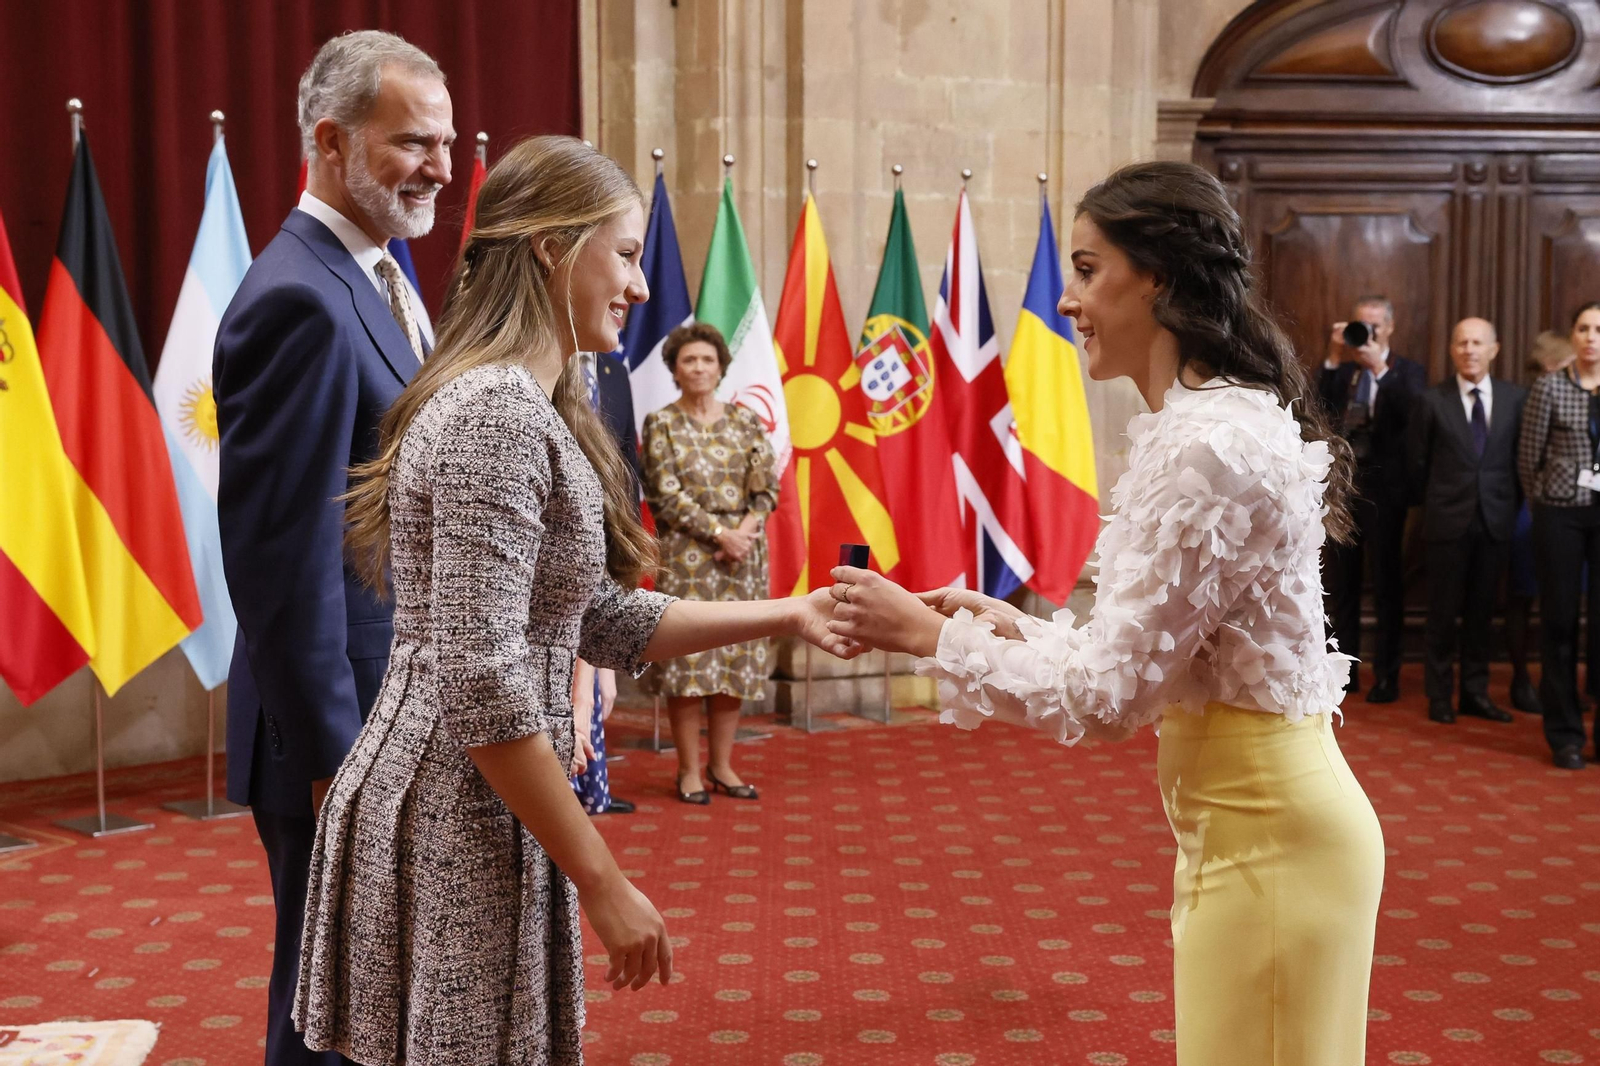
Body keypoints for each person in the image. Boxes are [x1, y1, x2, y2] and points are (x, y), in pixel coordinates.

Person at [292, 136, 846, 1065]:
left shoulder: (526, 403)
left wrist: (791, 614)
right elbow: (480, 678)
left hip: (487, 792)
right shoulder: (497, 414)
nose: (639, 283)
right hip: (454, 802)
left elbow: (592, 617)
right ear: (551, 247)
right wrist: (602, 876)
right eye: (625, 253)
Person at [827, 161, 1384, 1066]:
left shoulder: (1211, 445)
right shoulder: (1205, 427)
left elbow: (1109, 698)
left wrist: (927, 635)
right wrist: (1007, 624)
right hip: (1244, 827)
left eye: (1088, 269)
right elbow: (1157, 654)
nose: (1068, 297)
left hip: (1275, 840)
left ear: (1157, 276)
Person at [213, 30, 451, 1066]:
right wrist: (335, 757)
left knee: (381, 995)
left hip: (396, 709)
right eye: (412, 142)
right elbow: (280, 561)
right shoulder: (299, 298)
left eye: (443, 141)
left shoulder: (379, 275)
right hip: (342, 734)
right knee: (332, 1017)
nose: (440, 166)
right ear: (329, 139)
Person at [641, 323, 778, 804]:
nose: (698, 367)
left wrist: (742, 533)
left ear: (721, 367)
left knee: (732, 661)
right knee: (688, 664)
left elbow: (767, 488)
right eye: (688, 360)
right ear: (675, 369)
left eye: (707, 360)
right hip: (687, 556)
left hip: (742, 557)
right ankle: (689, 771)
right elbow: (664, 492)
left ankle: (722, 765)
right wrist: (720, 534)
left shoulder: (746, 420)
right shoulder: (661, 423)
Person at [1407, 317, 1526, 725]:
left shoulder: (1516, 399)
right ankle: (1439, 696)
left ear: (1495, 349)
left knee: (1481, 615)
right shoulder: (1431, 401)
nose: (1469, 350)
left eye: (1478, 343)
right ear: (1452, 349)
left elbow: (1520, 464)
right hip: (1446, 522)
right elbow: (1418, 465)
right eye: (1461, 342)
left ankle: (1475, 693)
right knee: (1442, 614)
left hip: (1495, 521)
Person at [1319, 296, 1426, 703]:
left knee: (1386, 584)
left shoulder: (1407, 372)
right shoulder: (1342, 372)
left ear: (1390, 328)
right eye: (1360, 325)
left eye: (1375, 326)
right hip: (1344, 489)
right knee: (1341, 585)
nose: (1367, 333)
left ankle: (1387, 674)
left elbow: (1412, 413)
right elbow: (1317, 406)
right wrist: (1333, 355)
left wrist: (1378, 368)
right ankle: (1344, 671)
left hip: (1386, 493)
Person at [1517, 301, 1600, 770]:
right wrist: (1544, 500)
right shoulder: (1550, 386)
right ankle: (1565, 734)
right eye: (1583, 328)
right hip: (1559, 513)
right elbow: (1529, 458)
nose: (1591, 337)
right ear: (1573, 337)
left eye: (1598, 330)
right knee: (1560, 622)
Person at [569, 348, 640, 815]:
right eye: (623, 266)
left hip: (602, 548)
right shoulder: (530, 381)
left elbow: (625, 461)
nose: (638, 290)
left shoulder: (613, 368)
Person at [1505, 331, 1578, 716]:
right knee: (1524, 599)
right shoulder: (1525, 400)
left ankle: (1561, 688)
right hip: (1529, 512)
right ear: (1551, 368)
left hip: (1571, 512)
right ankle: (1521, 680)